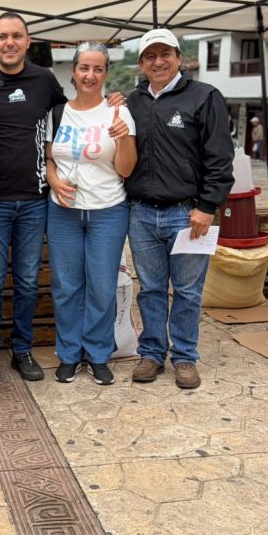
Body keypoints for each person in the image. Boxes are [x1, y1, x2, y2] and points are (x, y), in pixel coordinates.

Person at [126, 28, 234, 390]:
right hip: (142, 213)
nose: (158, 62)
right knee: (150, 289)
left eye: (165, 54)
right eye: (150, 56)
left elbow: (220, 157)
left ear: (178, 57)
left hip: (188, 214)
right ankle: (152, 354)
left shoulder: (204, 96)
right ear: (141, 63)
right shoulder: (133, 102)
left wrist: (208, 206)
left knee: (187, 290)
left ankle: (185, 357)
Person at [46, 42, 137, 384]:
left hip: (108, 210)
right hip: (63, 211)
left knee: (101, 287)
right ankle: (69, 354)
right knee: (66, 286)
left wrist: (124, 138)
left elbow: (126, 169)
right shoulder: (57, 112)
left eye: (98, 69)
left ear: (106, 74)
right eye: (84, 68)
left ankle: (98, 354)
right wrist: (54, 181)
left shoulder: (118, 112)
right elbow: (49, 158)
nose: (90, 75)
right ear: (73, 71)